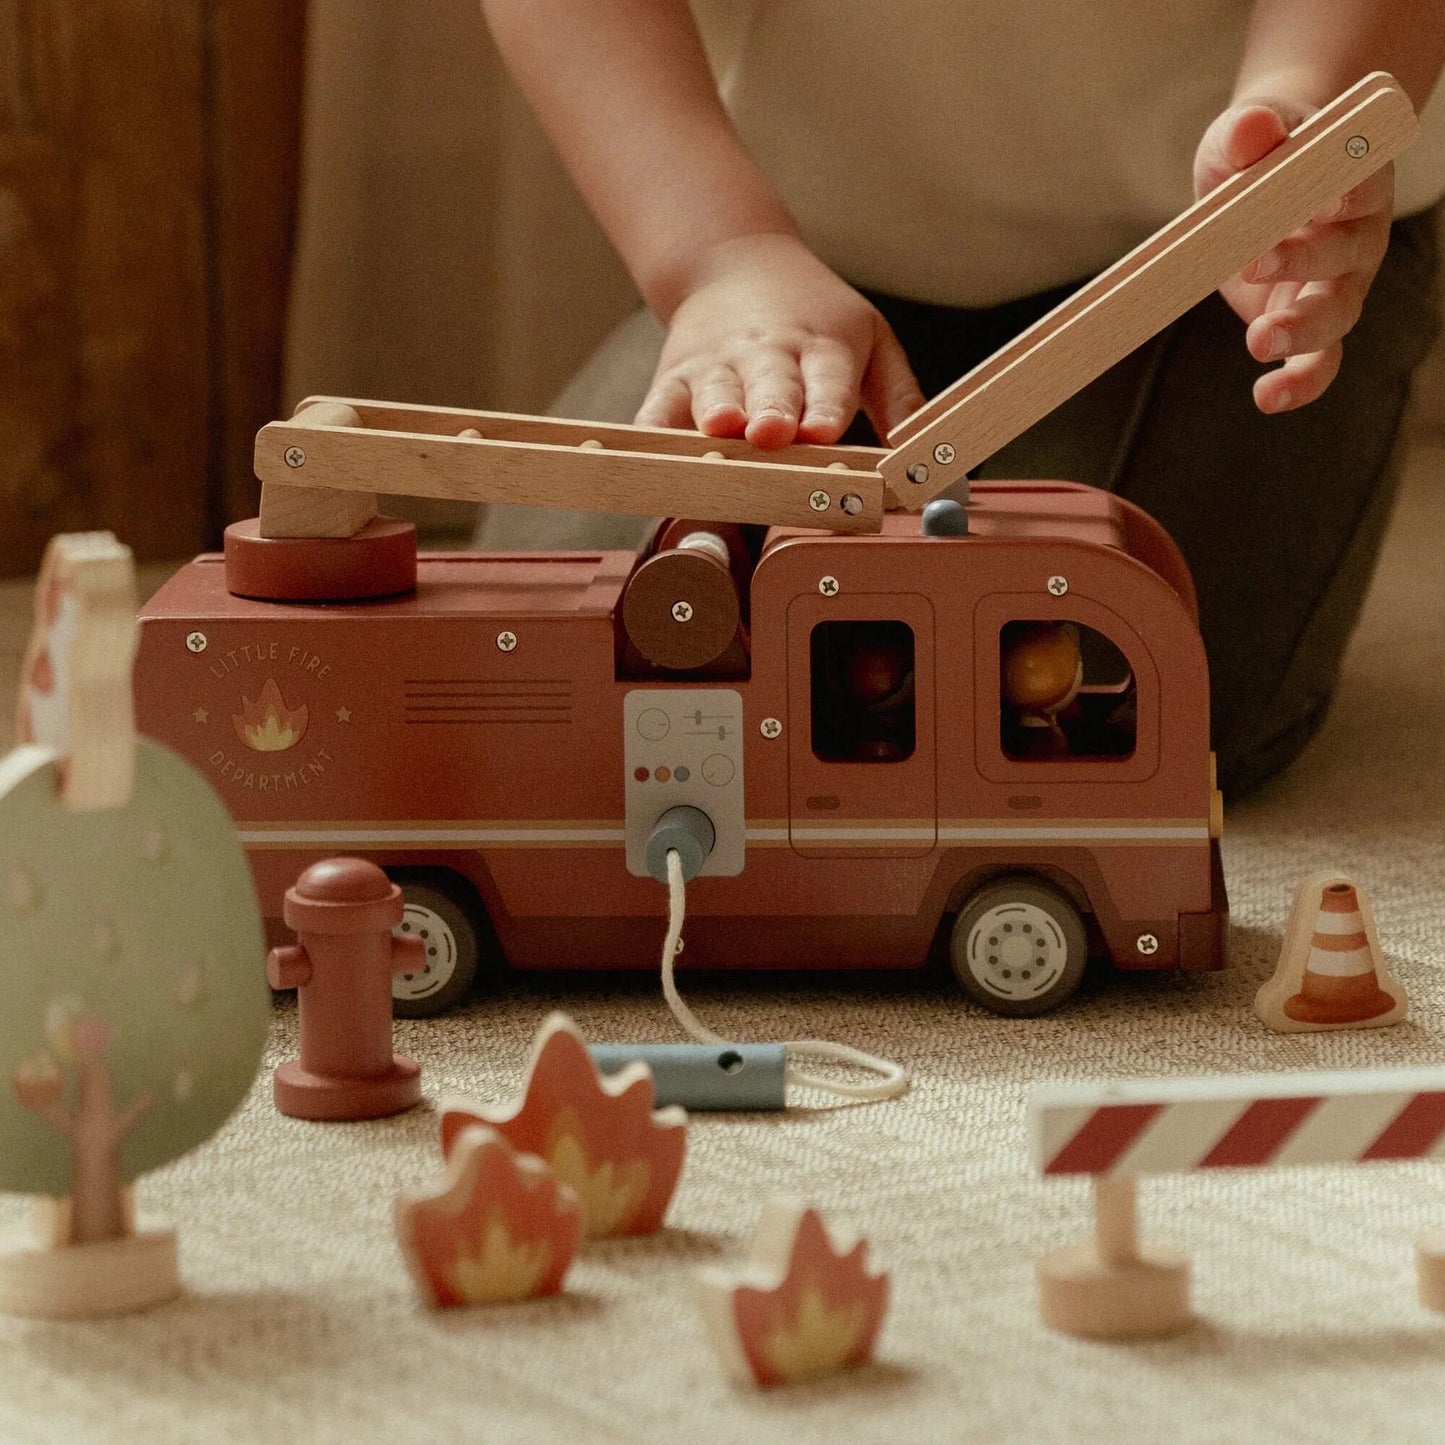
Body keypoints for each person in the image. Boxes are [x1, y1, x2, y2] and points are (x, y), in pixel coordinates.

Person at [475, 0, 1445, 793]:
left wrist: (1299, 124)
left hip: (1206, 254)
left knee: (1112, 697)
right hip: (798, 242)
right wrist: (719, 258)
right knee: (544, 659)